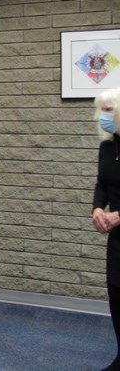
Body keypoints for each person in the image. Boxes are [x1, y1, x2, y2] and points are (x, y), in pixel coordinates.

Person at [91, 87, 120, 371]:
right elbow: (102, 184)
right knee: (116, 291)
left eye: (110, 110)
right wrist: (98, 209)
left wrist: (119, 215)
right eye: (102, 110)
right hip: (116, 237)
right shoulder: (107, 146)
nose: (104, 116)